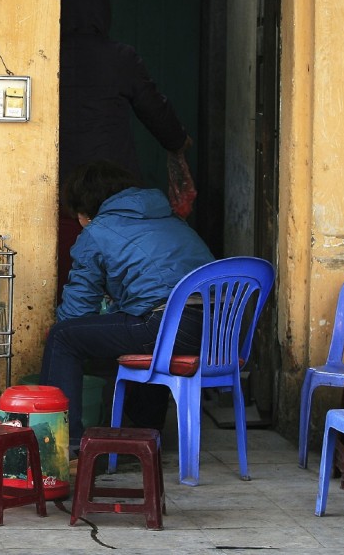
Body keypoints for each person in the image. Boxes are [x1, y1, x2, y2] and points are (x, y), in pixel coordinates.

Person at [39, 160, 214, 451]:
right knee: (142, 329)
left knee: (63, 337)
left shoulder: (97, 230)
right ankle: (146, 433)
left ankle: (60, 446)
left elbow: (76, 312)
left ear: (85, 209)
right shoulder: (171, 220)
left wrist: (60, 327)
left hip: (169, 325)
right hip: (217, 331)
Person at [57, 0, 193, 292]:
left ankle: (67, 323)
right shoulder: (119, 57)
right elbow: (155, 109)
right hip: (112, 179)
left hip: (59, 179)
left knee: (67, 259)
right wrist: (177, 141)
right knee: (115, 260)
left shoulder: (45, 55)